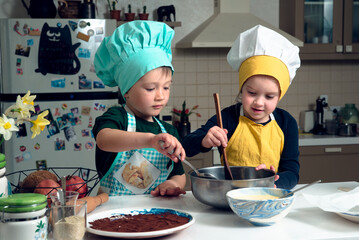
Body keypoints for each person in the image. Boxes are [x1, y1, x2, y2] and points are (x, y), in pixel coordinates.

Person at [182, 25, 301, 189]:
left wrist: (275, 181)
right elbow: (186, 147)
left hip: (268, 197)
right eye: (252, 93)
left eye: (269, 96)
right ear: (241, 89)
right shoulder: (226, 118)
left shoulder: (286, 123)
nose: (259, 102)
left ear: (279, 96)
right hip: (230, 195)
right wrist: (205, 140)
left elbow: (292, 172)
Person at [93, 21, 186, 197]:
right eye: (151, 89)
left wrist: (172, 183)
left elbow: (179, 173)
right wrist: (150, 140)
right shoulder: (116, 116)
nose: (160, 96)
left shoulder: (169, 131)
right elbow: (104, 140)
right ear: (126, 91)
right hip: (112, 212)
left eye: (166, 87)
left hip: (154, 214)